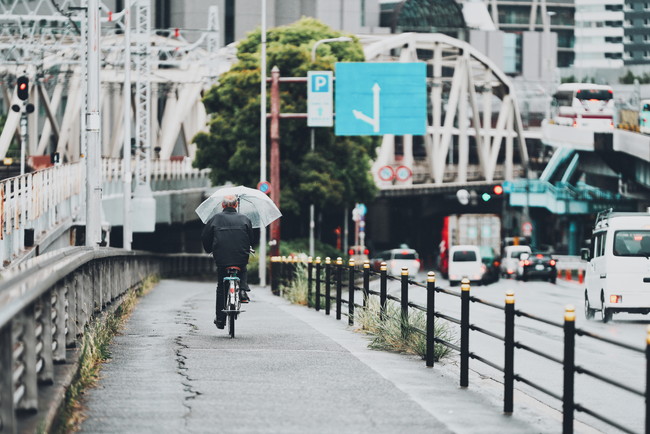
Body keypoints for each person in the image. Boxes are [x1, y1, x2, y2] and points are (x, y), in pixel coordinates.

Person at [201, 195, 254, 329]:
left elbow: (205, 237)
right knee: (242, 267)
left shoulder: (215, 219)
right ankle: (242, 290)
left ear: (223, 205)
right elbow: (252, 239)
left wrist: (209, 249)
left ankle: (220, 319)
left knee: (221, 287)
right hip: (240, 255)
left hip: (222, 257)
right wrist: (248, 247)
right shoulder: (245, 219)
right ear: (236, 205)